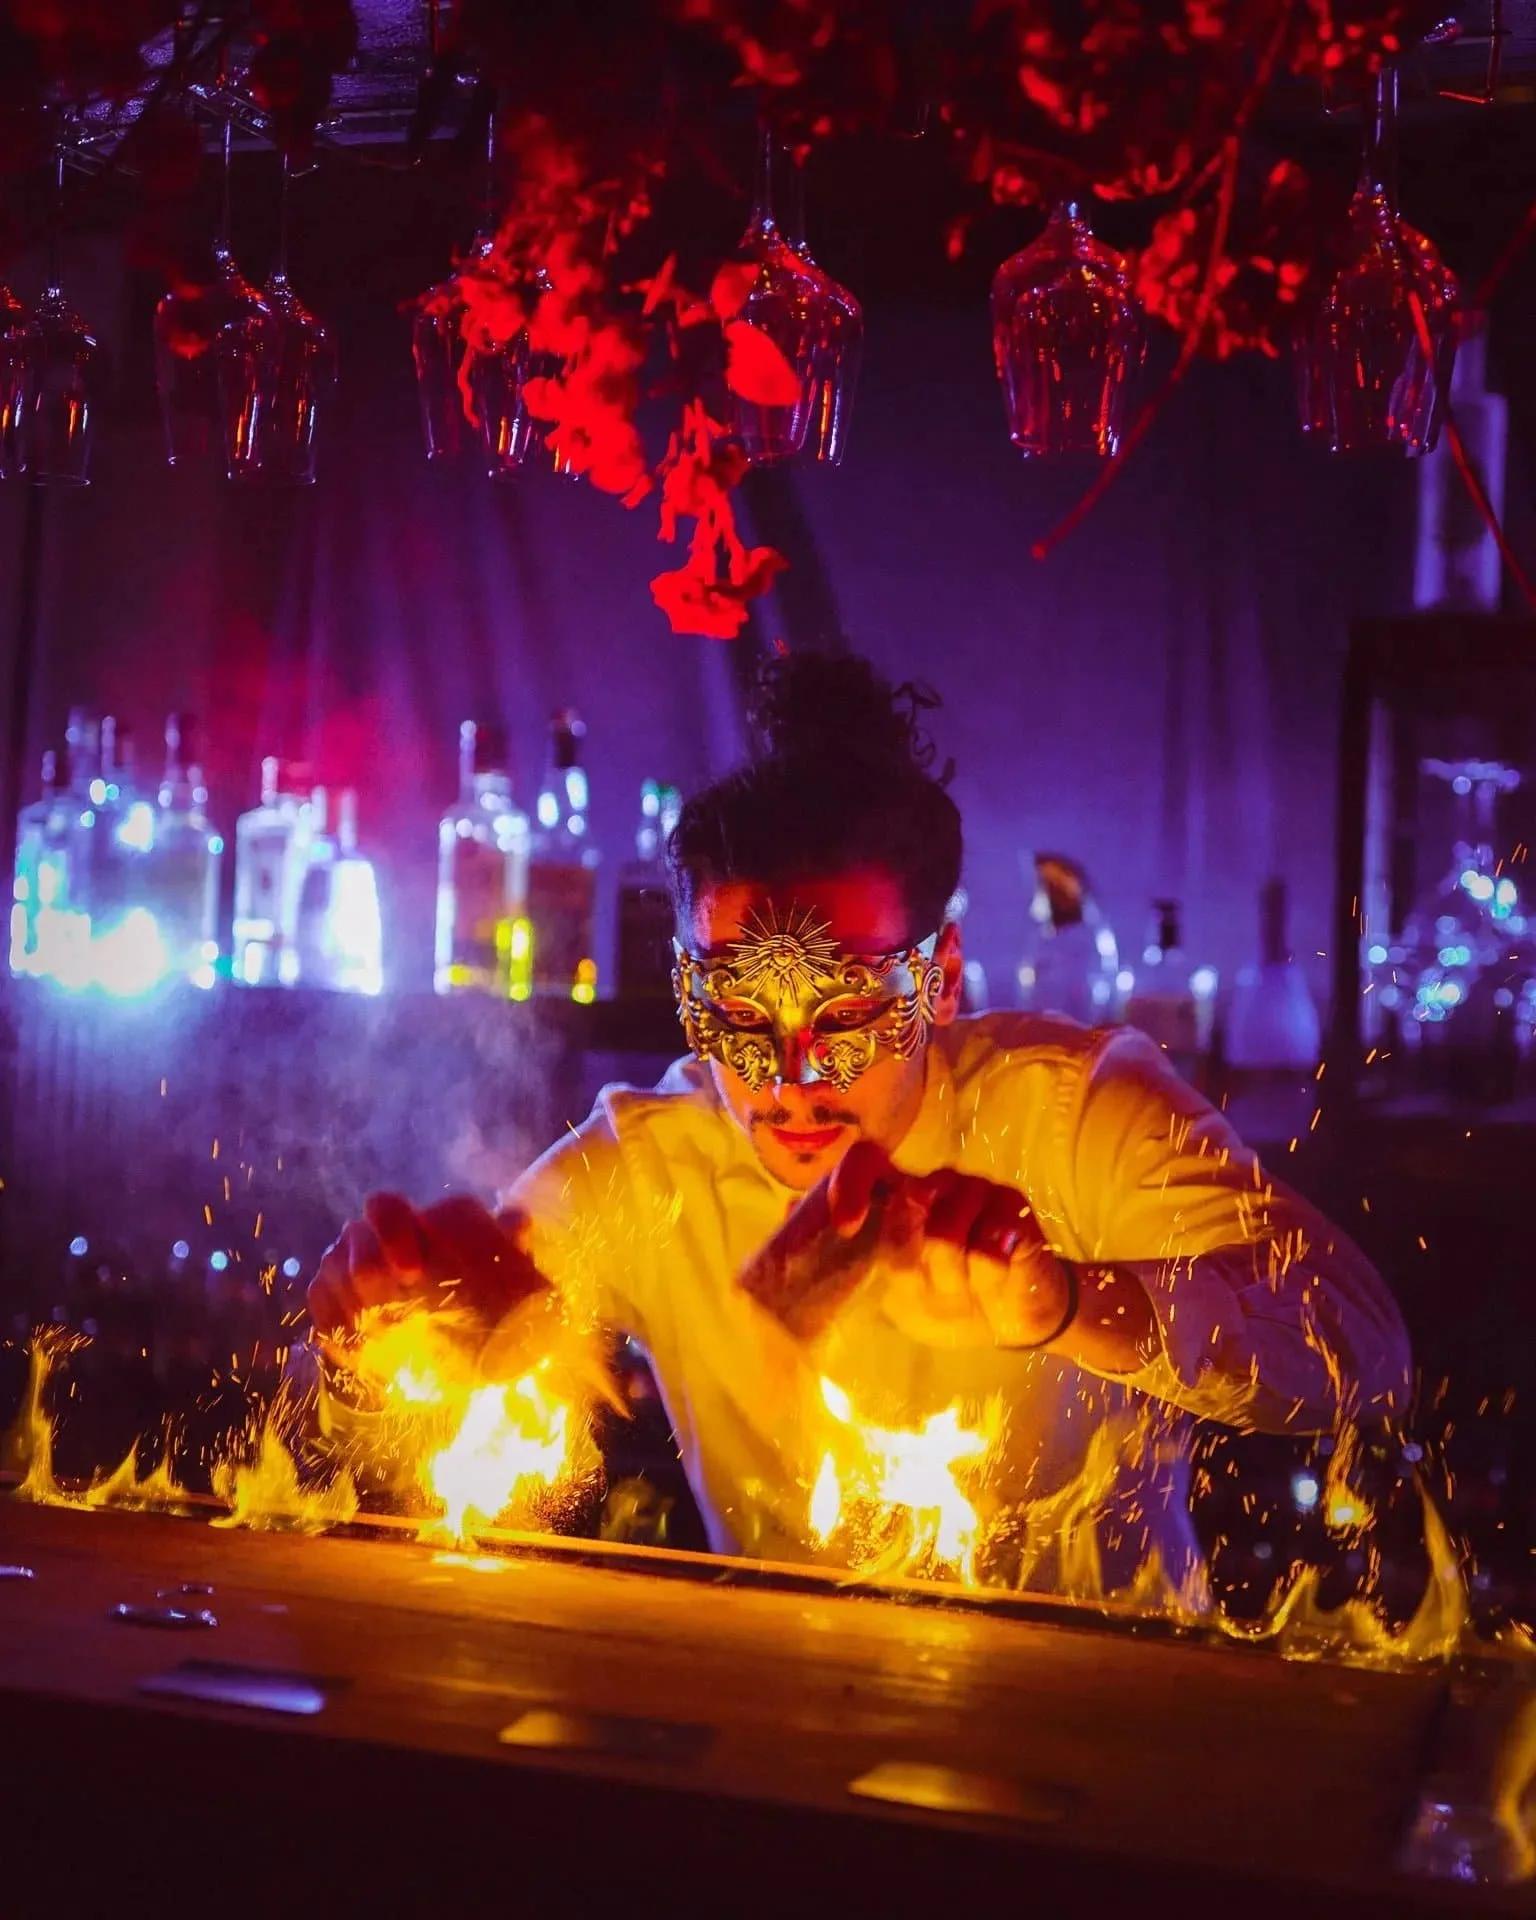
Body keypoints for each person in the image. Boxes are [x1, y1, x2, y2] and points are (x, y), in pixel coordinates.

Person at [309, 653, 1410, 1594]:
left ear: (942, 978)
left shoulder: (1076, 1108)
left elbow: (1366, 1351)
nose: (790, 1081)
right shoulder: (650, 1169)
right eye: (741, 1017)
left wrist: (1067, 1300)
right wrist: (385, 1342)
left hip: (1105, 1734)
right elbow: (384, 1428)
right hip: (792, 1748)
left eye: (841, 1015)